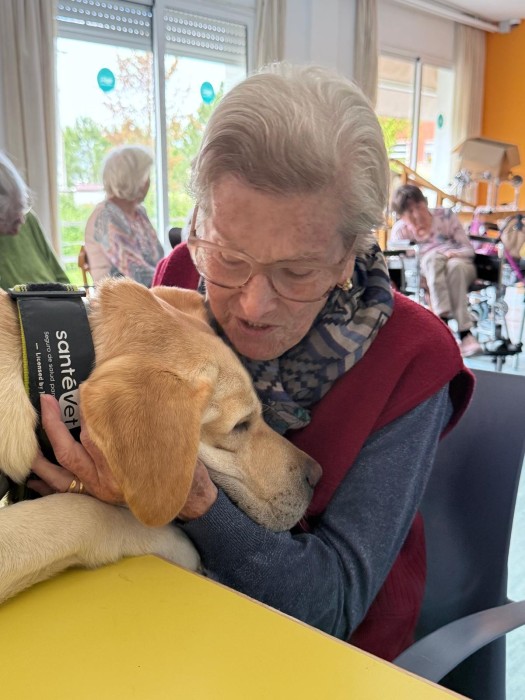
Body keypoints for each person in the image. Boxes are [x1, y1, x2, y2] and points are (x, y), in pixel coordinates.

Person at [29, 64, 474, 662]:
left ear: (350, 253)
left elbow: (334, 604)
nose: (252, 306)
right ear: (200, 223)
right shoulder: (181, 278)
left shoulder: (413, 358)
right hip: (170, 605)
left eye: (296, 271)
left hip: (329, 657)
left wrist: (184, 497)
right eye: (229, 258)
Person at [390, 184, 482, 358]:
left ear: (425, 202)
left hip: (460, 265)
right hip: (427, 275)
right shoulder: (400, 232)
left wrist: (452, 254)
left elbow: (468, 250)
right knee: (433, 259)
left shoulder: (445, 216)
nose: (417, 214)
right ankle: (466, 335)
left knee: (454, 266)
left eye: (419, 206)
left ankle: (442, 323)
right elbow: (400, 267)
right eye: (409, 211)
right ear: (401, 216)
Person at [84, 145, 164, 287]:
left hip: (150, 293)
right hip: (121, 297)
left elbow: (159, 259)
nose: (149, 182)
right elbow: (136, 273)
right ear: (135, 180)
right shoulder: (104, 216)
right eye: (146, 176)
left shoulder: (139, 213)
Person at [0, 151, 70, 290]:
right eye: (11, 221)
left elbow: (61, 279)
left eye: (20, 211)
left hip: (55, 300)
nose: (19, 227)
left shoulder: (28, 219)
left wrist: (68, 297)